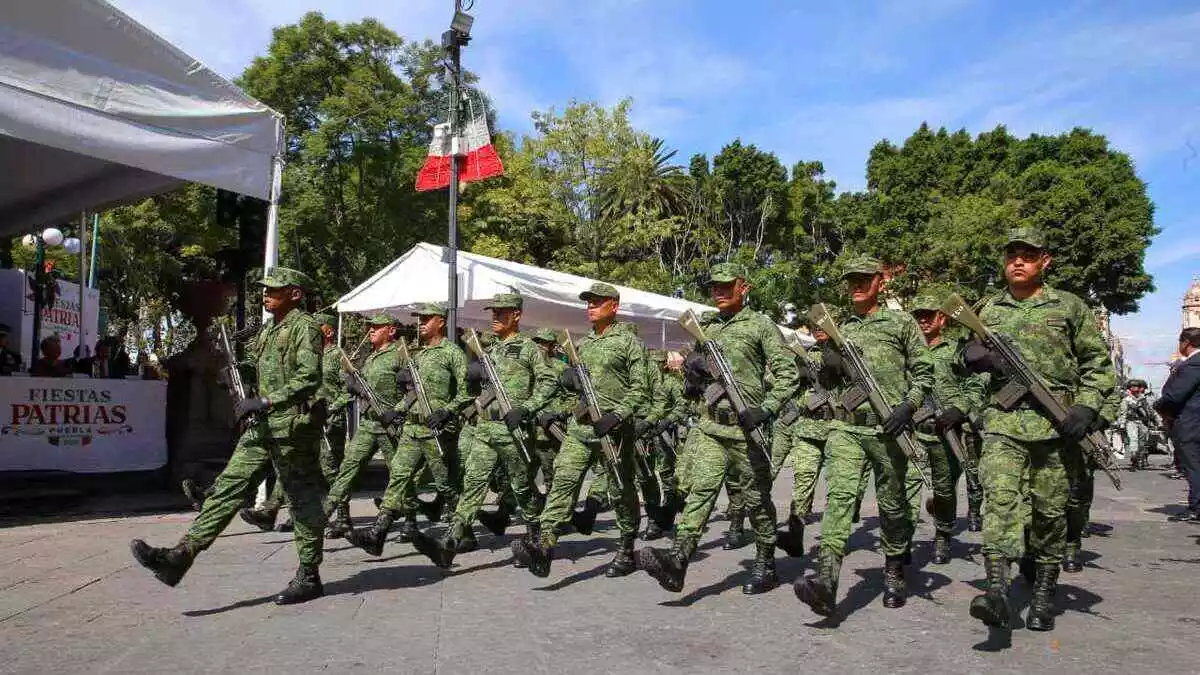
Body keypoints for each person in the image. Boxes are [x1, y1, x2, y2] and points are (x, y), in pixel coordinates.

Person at [129, 267, 328, 604]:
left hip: (292, 429)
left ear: (295, 294)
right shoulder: (268, 331)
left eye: (275, 289)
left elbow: (308, 378)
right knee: (226, 488)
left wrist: (266, 400)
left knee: (302, 499)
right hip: (263, 427)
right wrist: (234, 370)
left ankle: (309, 575)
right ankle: (182, 555)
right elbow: (262, 369)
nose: (266, 294)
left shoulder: (304, 328)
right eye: (265, 289)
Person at [963, 227, 1115, 632]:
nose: (1018, 261)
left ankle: (1044, 593)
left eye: (1027, 255)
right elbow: (965, 355)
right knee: (998, 499)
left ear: (1044, 262)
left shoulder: (1069, 306)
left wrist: (1087, 406)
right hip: (1003, 423)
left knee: (1049, 514)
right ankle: (996, 589)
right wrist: (971, 355)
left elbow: (1097, 366)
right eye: (1012, 254)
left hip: (1056, 426)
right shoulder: (988, 309)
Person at [637, 263, 801, 595]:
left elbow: (788, 375)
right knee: (701, 491)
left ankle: (767, 560)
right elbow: (692, 382)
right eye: (714, 287)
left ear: (744, 287)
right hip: (712, 427)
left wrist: (766, 409)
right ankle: (678, 560)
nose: (719, 292)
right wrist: (693, 372)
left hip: (747, 430)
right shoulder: (706, 328)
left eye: (727, 286)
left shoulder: (760, 326)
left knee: (756, 500)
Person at [793, 256, 933, 616]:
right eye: (851, 280)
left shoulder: (900, 322)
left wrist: (908, 406)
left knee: (891, 503)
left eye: (863, 279)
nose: (856, 285)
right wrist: (827, 362)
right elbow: (827, 382)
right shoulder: (842, 329)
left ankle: (893, 569)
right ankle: (826, 580)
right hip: (847, 426)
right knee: (839, 497)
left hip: (890, 427)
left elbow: (924, 373)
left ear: (879, 283)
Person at [408, 292, 558, 567]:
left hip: (514, 430)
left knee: (522, 488)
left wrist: (526, 409)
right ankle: (450, 544)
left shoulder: (528, 348)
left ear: (517, 315)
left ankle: (535, 540)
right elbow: (484, 390)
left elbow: (548, 383)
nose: (495, 317)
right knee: (472, 485)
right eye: (493, 313)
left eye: (502, 313)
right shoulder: (491, 350)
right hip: (486, 428)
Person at [511, 282, 647, 579]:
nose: (591, 307)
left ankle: (625, 549)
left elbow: (641, 389)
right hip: (580, 430)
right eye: (588, 302)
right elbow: (575, 393)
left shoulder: (628, 342)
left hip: (614, 432)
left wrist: (617, 415)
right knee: (563, 482)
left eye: (597, 302)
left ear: (614, 306)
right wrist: (569, 383)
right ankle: (545, 546)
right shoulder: (583, 344)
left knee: (621, 490)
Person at [348, 302, 473, 557]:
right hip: (412, 428)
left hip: (438, 431)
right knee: (399, 477)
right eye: (420, 319)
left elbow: (467, 392)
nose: (421, 323)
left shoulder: (452, 353)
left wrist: (447, 410)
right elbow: (413, 393)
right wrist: (398, 409)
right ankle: (378, 533)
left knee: (445, 485)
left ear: (440, 321)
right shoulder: (418, 354)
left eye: (427, 318)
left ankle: (465, 531)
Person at [909, 292, 982, 565]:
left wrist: (959, 409)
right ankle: (902, 539)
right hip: (914, 430)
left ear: (942, 318)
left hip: (945, 431)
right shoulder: (908, 352)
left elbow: (977, 383)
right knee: (905, 487)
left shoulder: (955, 350)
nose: (924, 321)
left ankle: (943, 534)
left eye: (929, 315)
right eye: (919, 317)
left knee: (944, 488)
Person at [772, 320, 835, 558]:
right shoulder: (805, 354)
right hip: (808, 428)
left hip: (838, 429)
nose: (818, 328)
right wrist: (800, 370)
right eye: (814, 324)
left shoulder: (848, 351)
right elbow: (789, 384)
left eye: (824, 323)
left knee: (839, 487)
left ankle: (831, 543)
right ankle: (794, 536)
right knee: (803, 480)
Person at [1156, 327, 1200, 523]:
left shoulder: (1193, 365)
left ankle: (1196, 507)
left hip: (1190, 423)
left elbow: (1175, 395)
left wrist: (1158, 406)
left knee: (1193, 466)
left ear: (1186, 343)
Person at [1116, 379, 1158, 470]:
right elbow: (1123, 412)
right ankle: (1134, 458)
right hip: (1131, 422)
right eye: (1132, 386)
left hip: (1143, 422)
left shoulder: (1145, 398)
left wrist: (1158, 421)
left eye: (1136, 386)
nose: (1134, 388)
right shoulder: (1126, 400)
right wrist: (1122, 424)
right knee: (1133, 439)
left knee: (1142, 443)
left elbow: (1151, 411)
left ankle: (1140, 458)